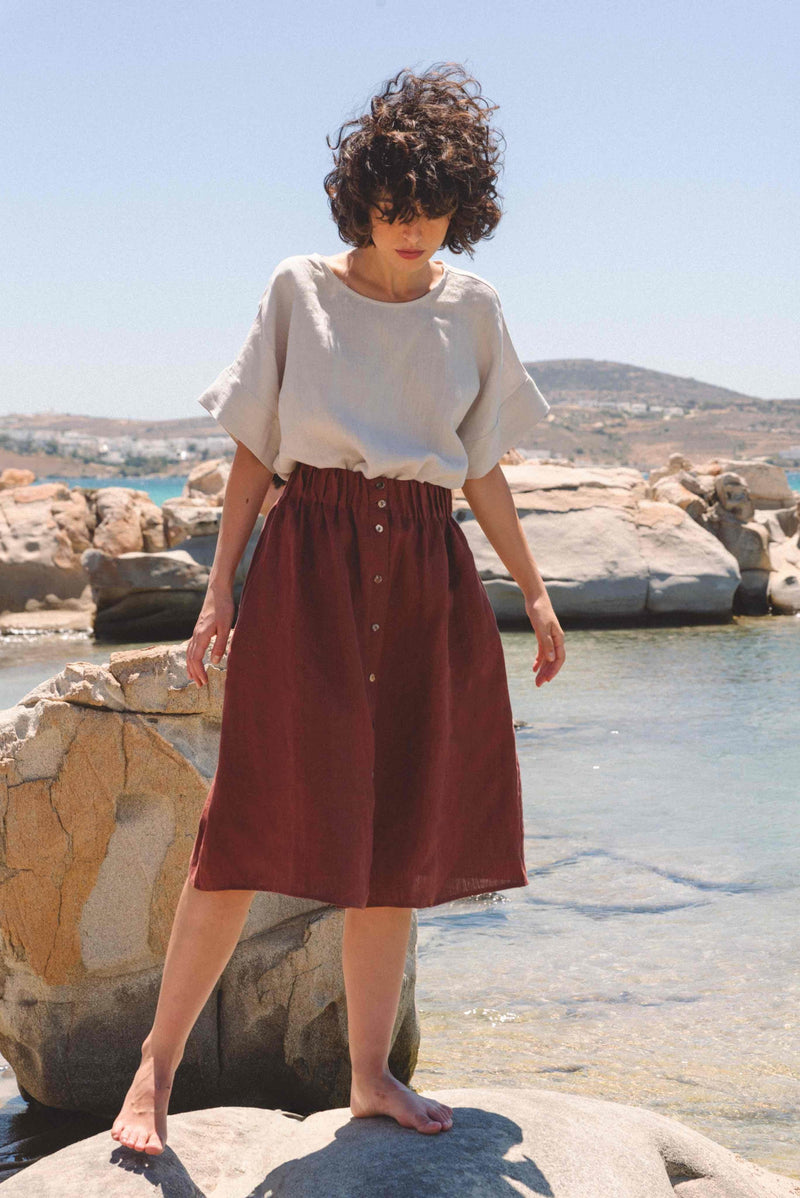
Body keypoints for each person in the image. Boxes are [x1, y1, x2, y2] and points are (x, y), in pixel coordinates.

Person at [111, 61, 566, 1157]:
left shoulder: (473, 311)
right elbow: (255, 453)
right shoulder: (296, 290)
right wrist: (219, 589)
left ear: (465, 204)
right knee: (241, 828)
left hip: (423, 572)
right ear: (359, 200)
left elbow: (482, 467)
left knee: (394, 836)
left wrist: (537, 591)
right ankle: (153, 1072)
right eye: (393, 207)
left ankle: (369, 1078)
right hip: (308, 566)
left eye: (435, 208)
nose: (413, 229)